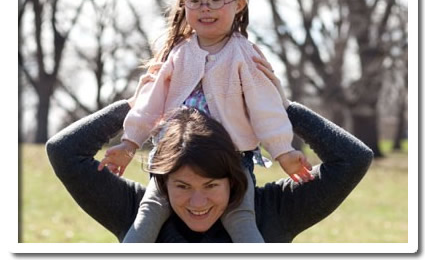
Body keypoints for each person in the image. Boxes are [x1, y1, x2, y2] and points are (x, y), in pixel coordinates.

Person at [97, 0, 314, 243]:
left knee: (241, 220)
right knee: (149, 211)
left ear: (239, 5)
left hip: (232, 163)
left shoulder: (244, 56)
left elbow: (265, 107)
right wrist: (129, 142)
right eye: (195, 1)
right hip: (173, 161)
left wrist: (283, 150)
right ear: (184, 6)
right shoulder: (179, 54)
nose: (205, 8)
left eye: (215, 0)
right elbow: (152, 101)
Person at [46, 56, 374, 243]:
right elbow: (63, 151)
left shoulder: (272, 212)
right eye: (183, 186)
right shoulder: (135, 211)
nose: (198, 203)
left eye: (212, 185)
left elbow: (353, 159)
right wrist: (140, 103)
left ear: (234, 179)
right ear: (161, 182)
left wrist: (279, 106)